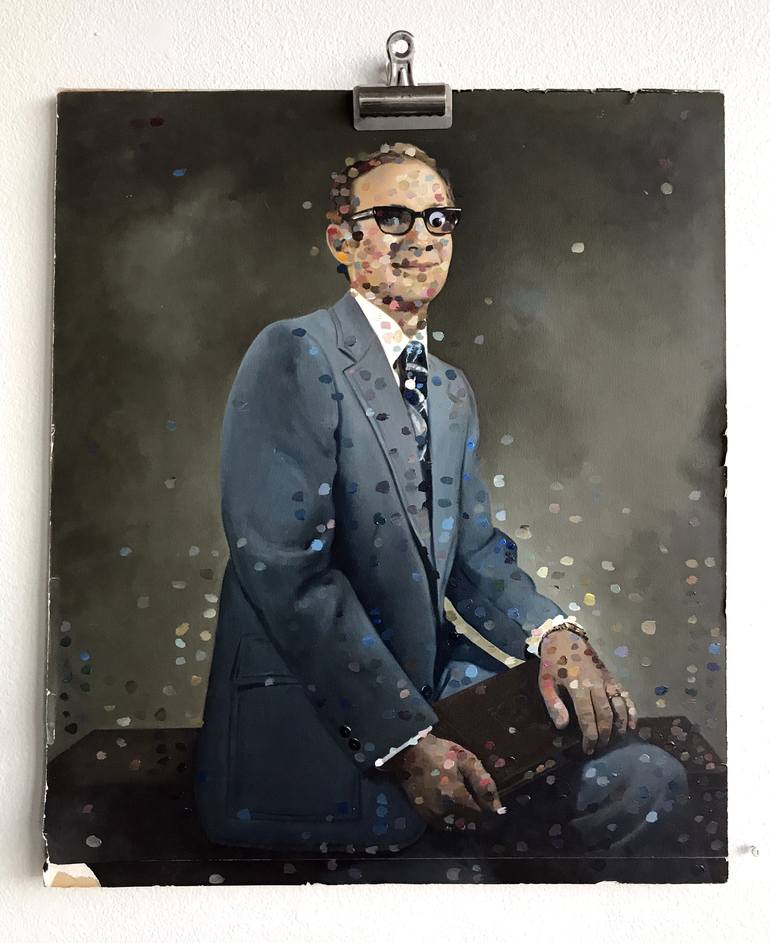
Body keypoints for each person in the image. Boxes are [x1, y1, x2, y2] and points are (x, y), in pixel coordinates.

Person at [194, 142, 687, 855]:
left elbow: (475, 553)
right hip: (320, 713)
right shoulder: (293, 352)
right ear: (340, 241)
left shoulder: (450, 389)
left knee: (644, 780)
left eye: (438, 219)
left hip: (432, 689)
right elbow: (288, 575)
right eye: (392, 218)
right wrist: (405, 742)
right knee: (451, 872)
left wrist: (555, 636)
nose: (421, 238)